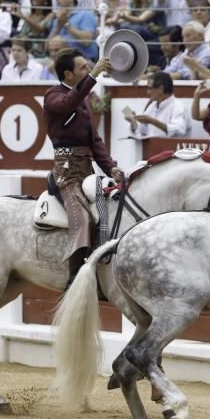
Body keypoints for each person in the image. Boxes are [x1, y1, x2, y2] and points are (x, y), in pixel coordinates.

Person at [43, 49, 123, 287]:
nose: (87, 71)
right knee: (83, 218)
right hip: (66, 173)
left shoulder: (83, 100)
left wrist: (111, 169)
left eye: (87, 68)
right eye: (82, 68)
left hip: (86, 170)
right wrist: (94, 75)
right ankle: (74, 278)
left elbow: (94, 141)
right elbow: (69, 103)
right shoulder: (53, 95)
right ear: (68, 75)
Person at [125, 71, 192, 139]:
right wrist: (133, 120)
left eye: (150, 88)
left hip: (171, 148)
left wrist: (152, 121)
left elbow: (178, 131)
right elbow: (141, 131)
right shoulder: (153, 106)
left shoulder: (178, 107)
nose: (147, 92)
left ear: (160, 88)